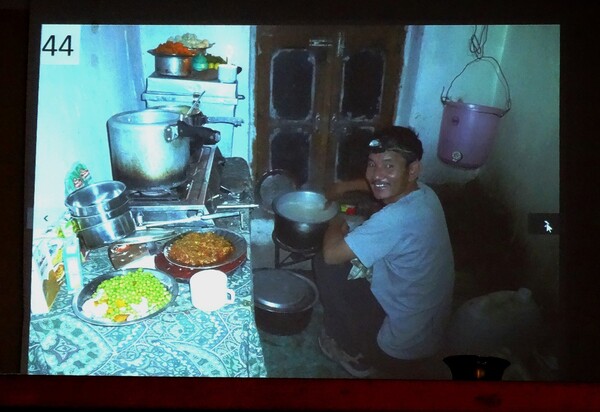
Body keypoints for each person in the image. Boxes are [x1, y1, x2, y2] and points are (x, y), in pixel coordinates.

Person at [314, 126, 455, 379]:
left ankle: (352, 351)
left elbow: (331, 254)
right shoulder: (425, 195)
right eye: (372, 164)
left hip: (395, 350)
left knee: (326, 263)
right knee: (361, 255)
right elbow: (380, 184)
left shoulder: (395, 219)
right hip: (428, 335)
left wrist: (334, 218)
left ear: (412, 170)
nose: (377, 175)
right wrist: (344, 187)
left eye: (389, 166)